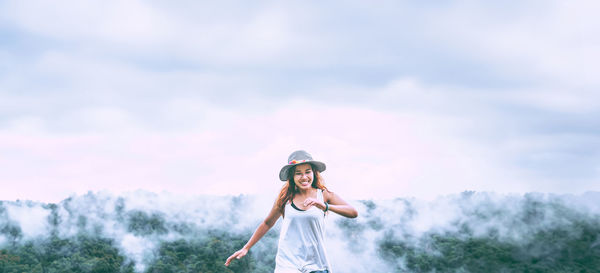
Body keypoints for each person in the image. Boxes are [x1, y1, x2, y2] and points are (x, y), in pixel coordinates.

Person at [225, 150, 358, 273]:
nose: (304, 177)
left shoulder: (324, 195)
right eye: (298, 173)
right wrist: (246, 247)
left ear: (314, 173)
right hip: (288, 263)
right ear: (292, 177)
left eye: (307, 172)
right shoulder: (285, 199)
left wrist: (325, 206)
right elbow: (267, 223)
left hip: (316, 264)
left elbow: (353, 212)